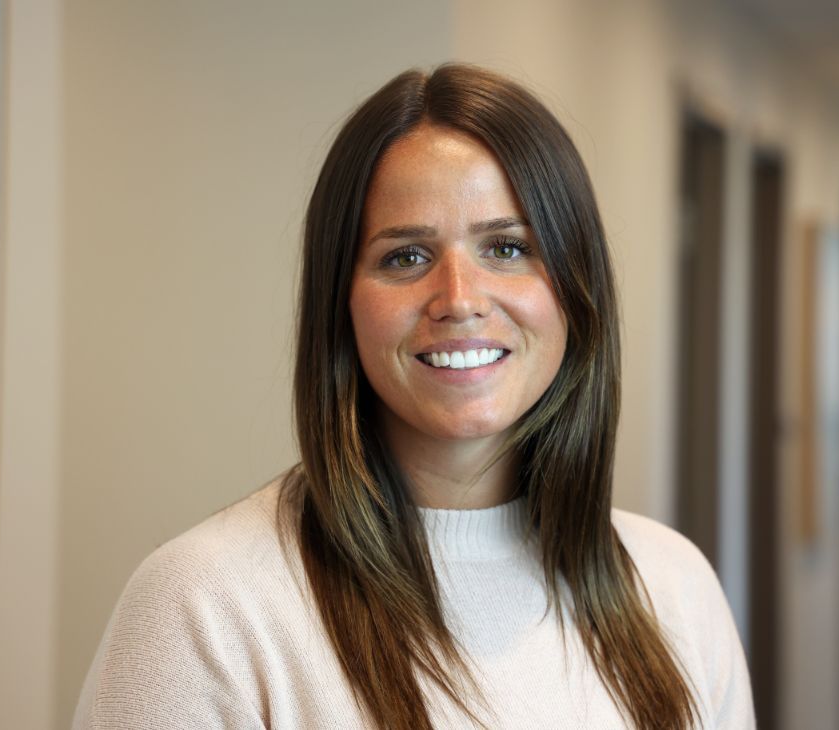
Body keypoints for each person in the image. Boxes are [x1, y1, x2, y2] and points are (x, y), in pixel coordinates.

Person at [73, 63, 754, 730]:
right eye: (405, 257)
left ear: (576, 289)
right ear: (341, 302)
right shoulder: (207, 605)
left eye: (507, 248)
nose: (458, 299)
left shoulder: (673, 587)